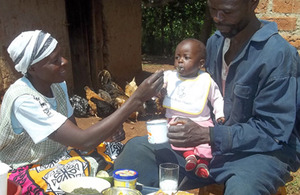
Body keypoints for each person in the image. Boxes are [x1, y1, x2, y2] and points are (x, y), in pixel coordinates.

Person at [112, 0, 300, 194]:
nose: (218, 18)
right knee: (136, 152)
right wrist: (172, 94)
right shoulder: (216, 42)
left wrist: (209, 135)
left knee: (244, 189)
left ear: (252, 3)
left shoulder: (277, 55)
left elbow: (273, 132)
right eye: (213, 9)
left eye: (227, 11)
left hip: (257, 153)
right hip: (207, 148)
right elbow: (206, 92)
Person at [0, 30, 164, 194]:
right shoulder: (23, 100)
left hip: (59, 157)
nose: (64, 61)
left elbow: (75, 134)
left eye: (61, 55)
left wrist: (105, 134)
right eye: (55, 60)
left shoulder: (57, 85)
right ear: (33, 68)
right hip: (21, 172)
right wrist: (135, 99)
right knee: (81, 168)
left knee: (112, 149)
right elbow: (82, 141)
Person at [159, 38, 225, 178]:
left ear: (200, 63)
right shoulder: (170, 77)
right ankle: (189, 156)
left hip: (201, 120)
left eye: (186, 57)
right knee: (178, 137)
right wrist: (159, 91)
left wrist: (220, 113)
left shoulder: (205, 80)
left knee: (205, 143)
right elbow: (157, 88)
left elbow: (216, 97)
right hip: (176, 119)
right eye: (177, 57)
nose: (180, 61)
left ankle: (202, 163)